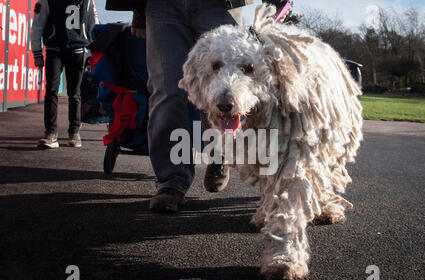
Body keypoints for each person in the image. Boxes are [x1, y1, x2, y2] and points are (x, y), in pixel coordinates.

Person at [106, 0, 290, 212]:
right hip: (163, 7)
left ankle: (219, 154)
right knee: (167, 90)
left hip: (219, 5)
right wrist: (139, 11)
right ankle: (171, 182)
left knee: (223, 83)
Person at [31, 0, 99, 149]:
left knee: (75, 93)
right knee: (51, 91)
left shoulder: (87, 1)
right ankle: (50, 133)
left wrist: (94, 53)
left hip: (78, 49)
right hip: (54, 49)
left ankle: (74, 132)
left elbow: (93, 23)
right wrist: (37, 51)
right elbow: (38, 23)